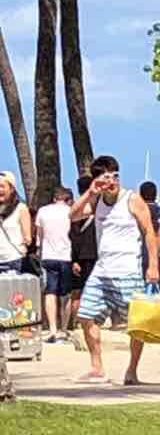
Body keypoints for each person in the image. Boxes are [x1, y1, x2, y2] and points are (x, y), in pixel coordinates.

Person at [71, 155, 159, 385]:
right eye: (107, 176)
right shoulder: (97, 201)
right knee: (86, 315)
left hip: (128, 270)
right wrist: (91, 192)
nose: (112, 180)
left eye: (116, 175)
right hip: (102, 271)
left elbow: (149, 231)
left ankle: (132, 371)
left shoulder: (132, 199)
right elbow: (72, 215)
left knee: (137, 326)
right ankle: (97, 368)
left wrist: (152, 266)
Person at [35, 187, 73, 342]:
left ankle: (52, 328)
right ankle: (63, 328)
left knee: (50, 292)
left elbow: (39, 234)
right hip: (66, 256)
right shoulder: (70, 211)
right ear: (68, 199)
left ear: (54, 198)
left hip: (48, 255)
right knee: (65, 294)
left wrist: (39, 249)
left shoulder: (43, 211)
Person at [0, 171, 31, 272]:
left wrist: (25, 244)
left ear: (11, 188)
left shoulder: (21, 208)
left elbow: (27, 236)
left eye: (2, 186)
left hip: (14, 259)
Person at [69, 176, 98, 330]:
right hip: (94, 254)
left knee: (77, 293)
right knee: (95, 291)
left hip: (79, 255)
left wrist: (73, 259)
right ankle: (94, 322)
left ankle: (76, 324)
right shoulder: (96, 207)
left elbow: (72, 235)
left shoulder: (76, 208)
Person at [139, 181, 160, 276]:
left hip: (138, 255)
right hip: (156, 256)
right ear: (156, 194)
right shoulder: (158, 212)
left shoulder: (135, 213)